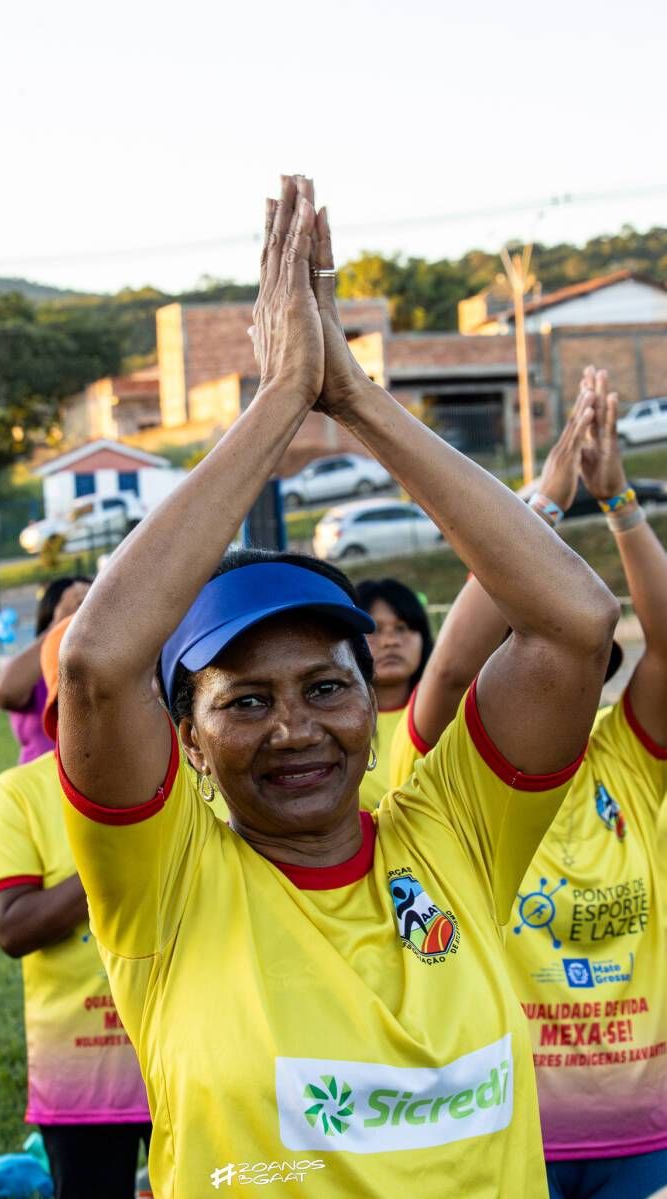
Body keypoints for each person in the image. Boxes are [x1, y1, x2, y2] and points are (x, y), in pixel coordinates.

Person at [56, 176, 617, 1197]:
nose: (293, 729)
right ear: (185, 736)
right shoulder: (164, 882)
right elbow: (95, 664)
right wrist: (279, 399)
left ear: (372, 697)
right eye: (244, 699)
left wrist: (356, 399)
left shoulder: (453, 832)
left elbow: (574, 622)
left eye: (324, 686)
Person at [391, 368, 667, 1199]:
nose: (558, 685)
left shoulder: (627, 760)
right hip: (500, 1129)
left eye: (581, 668)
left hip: (642, 1130)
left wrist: (615, 502)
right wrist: (538, 503)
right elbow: (444, 675)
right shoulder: (451, 778)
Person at [0, 618, 150, 1199]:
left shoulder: (193, 776)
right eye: (93, 691)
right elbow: (12, 927)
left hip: (190, 1061)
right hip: (83, 1079)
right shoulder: (21, 792)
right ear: (59, 704)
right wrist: (115, 859)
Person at [0, 576, 91, 765]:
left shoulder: (108, 666)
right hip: (43, 788)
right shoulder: (34, 671)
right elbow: (4, 690)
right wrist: (60, 625)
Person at [354, 578, 432, 809]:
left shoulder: (454, 711)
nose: (390, 642)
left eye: (402, 628)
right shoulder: (331, 723)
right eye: (374, 630)